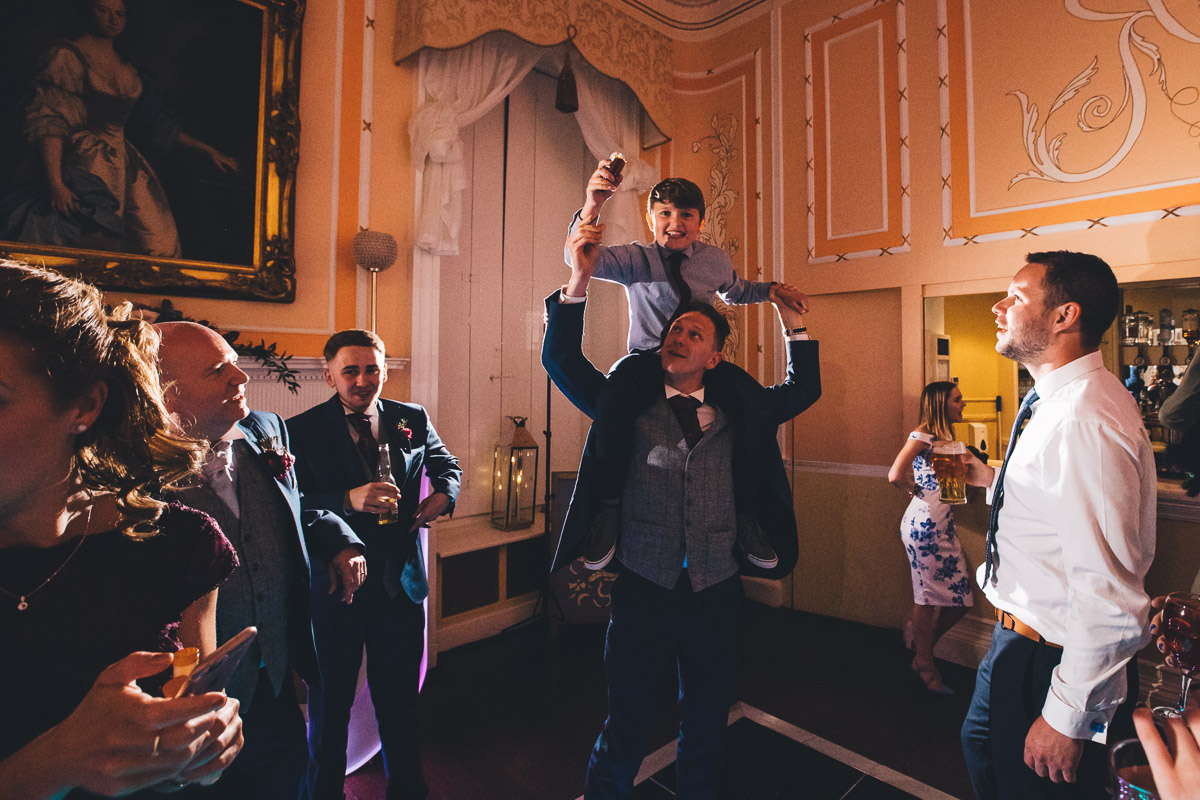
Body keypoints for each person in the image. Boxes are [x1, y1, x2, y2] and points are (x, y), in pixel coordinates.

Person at [543, 223, 821, 799]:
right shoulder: (626, 405)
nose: (679, 336)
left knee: (707, 714)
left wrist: (793, 325)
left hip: (716, 591)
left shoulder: (739, 413)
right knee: (627, 716)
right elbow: (562, 359)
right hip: (643, 586)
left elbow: (800, 391)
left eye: (694, 333)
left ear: (714, 357)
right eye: (675, 329)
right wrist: (578, 279)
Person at [0, 260, 243, 798]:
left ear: (84, 405)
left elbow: (189, 732)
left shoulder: (179, 545)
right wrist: (55, 762)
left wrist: (201, 748)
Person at [958, 251, 1156, 799]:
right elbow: (1059, 505)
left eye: (1017, 296)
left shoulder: (1083, 419)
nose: (998, 306)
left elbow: (1109, 595)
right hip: (1015, 641)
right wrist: (992, 479)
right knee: (984, 755)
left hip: (1052, 658)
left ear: (1065, 315)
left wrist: (1066, 716)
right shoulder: (1058, 402)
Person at [156, 322, 366, 800]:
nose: (241, 376)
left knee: (287, 780)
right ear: (165, 392)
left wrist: (338, 538)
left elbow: (291, 508)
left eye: (233, 361)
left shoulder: (267, 429)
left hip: (275, 678)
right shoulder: (130, 467)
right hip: (185, 703)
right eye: (217, 370)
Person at [287, 329, 462, 800]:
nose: (363, 380)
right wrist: (347, 499)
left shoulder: (411, 417)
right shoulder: (299, 431)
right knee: (330, 710)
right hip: (336, 590)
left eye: (372, 370)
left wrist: (444, 494)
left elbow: (446, 464)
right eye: (350, 371)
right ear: (329, 376)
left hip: (398, 587)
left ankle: (408, 791)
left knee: (400, 708)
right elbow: (291, 505)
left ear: (384, 371)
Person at [0, 0, 239, 257]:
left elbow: (155, 123)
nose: (113, 20)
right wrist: (56, 183)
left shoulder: (128, 67)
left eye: (120, 14)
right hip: (83, 160)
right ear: (86, 10)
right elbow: (51, 123)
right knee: (94, 241)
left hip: (126, 163)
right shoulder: (67, 56)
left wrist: (206, 150)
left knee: (159, 244)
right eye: (103, 10)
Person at [567, 160, 809, 352]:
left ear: (701, 223)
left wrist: (773, 291)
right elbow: (578, 260)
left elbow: (737, 291)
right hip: (647, 363)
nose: (675, 223)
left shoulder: (715, 259)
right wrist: (593, 205)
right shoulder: (634, 259)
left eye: (686, 215)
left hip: (697, 362)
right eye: (665, 213)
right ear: (650, 220)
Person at [887, 381, 973, 695]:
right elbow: (895, 474)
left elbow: (952, 489)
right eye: (957, 399)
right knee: (925, 598)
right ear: (941, 403)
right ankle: (924, 663)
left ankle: (922, 649)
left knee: (961, 598)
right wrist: (918, 492)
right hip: (924, 526)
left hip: (943, 525)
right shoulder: (921, 434)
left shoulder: (947, 438)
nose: (963, 404)